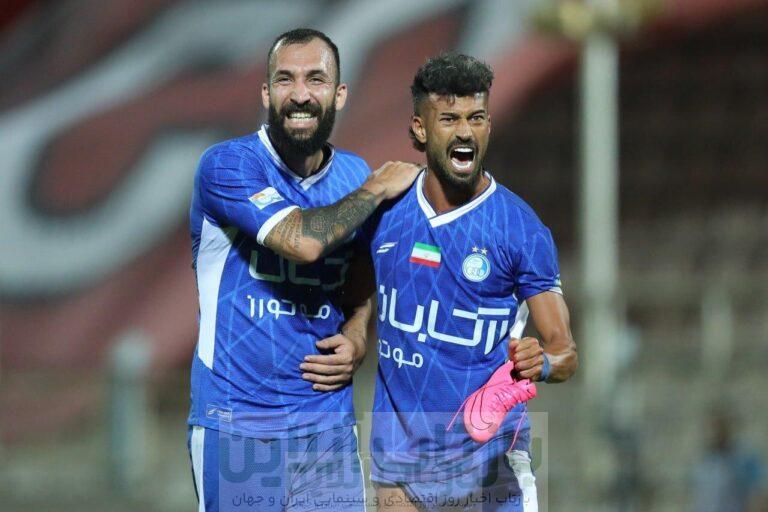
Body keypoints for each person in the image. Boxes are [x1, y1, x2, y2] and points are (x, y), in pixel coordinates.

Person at [186, 28, 420, 511]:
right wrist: (376, 190)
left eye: (315, 79)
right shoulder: (229, 165)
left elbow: (362, 266)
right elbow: (303, 242)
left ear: (339, 94)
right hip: (236, 423)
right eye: (285, 79)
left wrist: (357, 333)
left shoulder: (353, 175)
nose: (300, 94)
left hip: (327, 426)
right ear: (266, 93)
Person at [359, 53, 579, 510]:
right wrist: (352, 334)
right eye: (449, 119)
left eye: (476, 118)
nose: (465, 131)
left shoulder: (520, 230)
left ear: (489, 126)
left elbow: (565, 352)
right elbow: (353, 290)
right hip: (400, 468)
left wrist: (540, 363)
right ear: (420, 128)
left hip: (489, 472)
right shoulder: (385, 211)